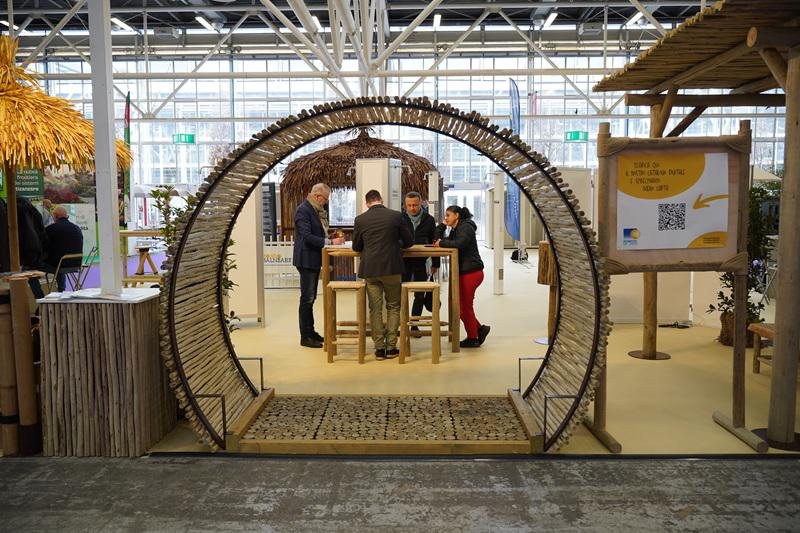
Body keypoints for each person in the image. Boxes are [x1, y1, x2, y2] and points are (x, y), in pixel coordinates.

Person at [352, 189, 413, 359]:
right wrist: (395, 243)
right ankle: (391, 347)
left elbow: (356, 247)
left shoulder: (360, 219)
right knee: (393, 306)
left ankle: (379, 348)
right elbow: (409, 242)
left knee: (375, 308)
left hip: (370, 269)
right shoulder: (396, 216)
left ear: (367, 203)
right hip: (392, 267)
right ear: (381, 199)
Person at [293, 183, 345, 349]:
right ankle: (305, 336)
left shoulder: (314, 210)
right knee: (307, 298)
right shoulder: (303, 210)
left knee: (311, 298)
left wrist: (330, 237)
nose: (326, 202)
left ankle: (311, 332)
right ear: (317, 196)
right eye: (325, 199)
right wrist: (330, 242)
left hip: (313, 259)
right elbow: (306, 237)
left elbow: (316, 233)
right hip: (306, 259)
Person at [435, 205, 490, 348]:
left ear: (457, 215)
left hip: (471, 272)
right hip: (465, 271)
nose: (446, 218)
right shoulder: (456, 229)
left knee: (464, 308)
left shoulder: (465, 228)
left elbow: (460, 244)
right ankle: (479, 329)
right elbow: (437, 239)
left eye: (448, 215)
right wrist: (442, 226)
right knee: (462, 307)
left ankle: (473, 338)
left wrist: (442, 242)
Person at [402, 191, 440, 332]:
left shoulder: (429, 220)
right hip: (403, 261)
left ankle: (414, 324)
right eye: (409, 205)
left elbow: (434, 241)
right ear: (405, 205)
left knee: (420, 294)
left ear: (421, 204)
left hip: (421, 261)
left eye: (415, 205)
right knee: (401, 293)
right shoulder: (400, 218)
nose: (412, 208)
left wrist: (436, 263)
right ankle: (403, 324)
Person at [43, 206, 83, 293]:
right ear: (67, 216)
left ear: (55, 216)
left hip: (58, 265)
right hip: (76, 264)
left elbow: (43, 246)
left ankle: (40, 296)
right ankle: (61, 289)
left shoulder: (50, 229)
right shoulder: (77, 228)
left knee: (31, 269)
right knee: (59, 261)